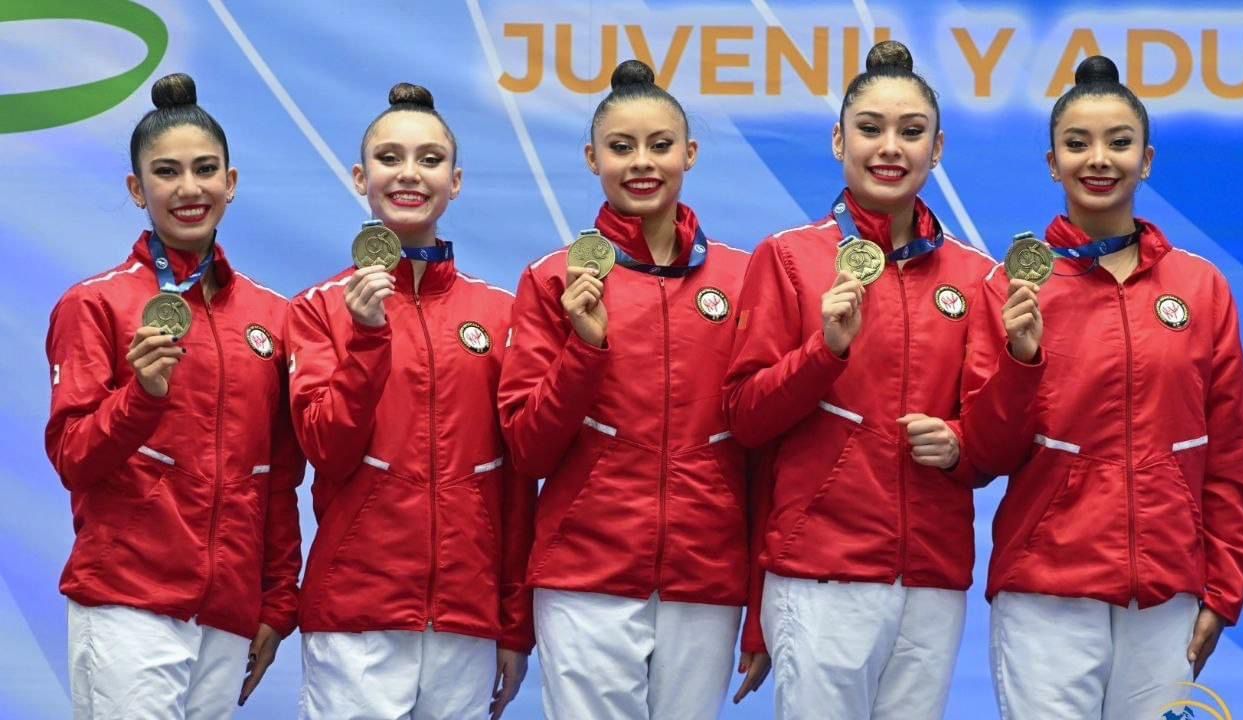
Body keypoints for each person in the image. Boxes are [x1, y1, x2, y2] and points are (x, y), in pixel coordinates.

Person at [960, 55, 1243, 720]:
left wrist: (1225, 586)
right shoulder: (1011, 287)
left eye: (1119, 143)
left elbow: (1231, 455)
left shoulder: (1201, 288)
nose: (1099, 159)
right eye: (1078, 143)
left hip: (1168, 589)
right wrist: (1020, 357)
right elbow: (983, 455)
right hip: (1046, 589)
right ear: (1051, 163)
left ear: (1146, 160)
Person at [722, 41, 997, 720]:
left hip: (932, 574)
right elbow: (745, 416)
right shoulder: (788, 258)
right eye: (870, 129)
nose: (890, 148)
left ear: (938, 149)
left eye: (911, 133)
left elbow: (998, 435)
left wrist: (964, 442)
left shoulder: (975, 276)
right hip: (822, 570)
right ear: (839, 139)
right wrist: (825, 352)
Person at [497, 59, 754, 719]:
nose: (642, 162)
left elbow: (768, 443)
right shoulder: (554, 279)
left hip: (706, 571)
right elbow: (527, 448)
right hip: (585, 571)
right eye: (622, 147)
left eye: (660, 145)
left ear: (690, 154)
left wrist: (760, 595)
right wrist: (585, 347)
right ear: (591, 158)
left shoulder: (745, 279)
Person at [45, 72, 303, 718]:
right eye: (167, 173)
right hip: (129, 603)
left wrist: (277, 598)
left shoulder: (274, 318)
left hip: (229, 614)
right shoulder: (95, 305)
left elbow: (277, 477)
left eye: (205, 169)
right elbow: (74, 456)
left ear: (232, 182)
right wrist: (143, 396)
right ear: (137, 190)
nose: (189, 189)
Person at [287, 83, 534, 720]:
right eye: (390, 157)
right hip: (357, 618)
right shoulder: (318, 311)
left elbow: (512, 484)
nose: (409, 173)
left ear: (456, 180)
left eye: (429, 159)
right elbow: (328, 451)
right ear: (359, 176)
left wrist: (512, 622)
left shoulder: (498, 312)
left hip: (465, 621)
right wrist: (367, 337)